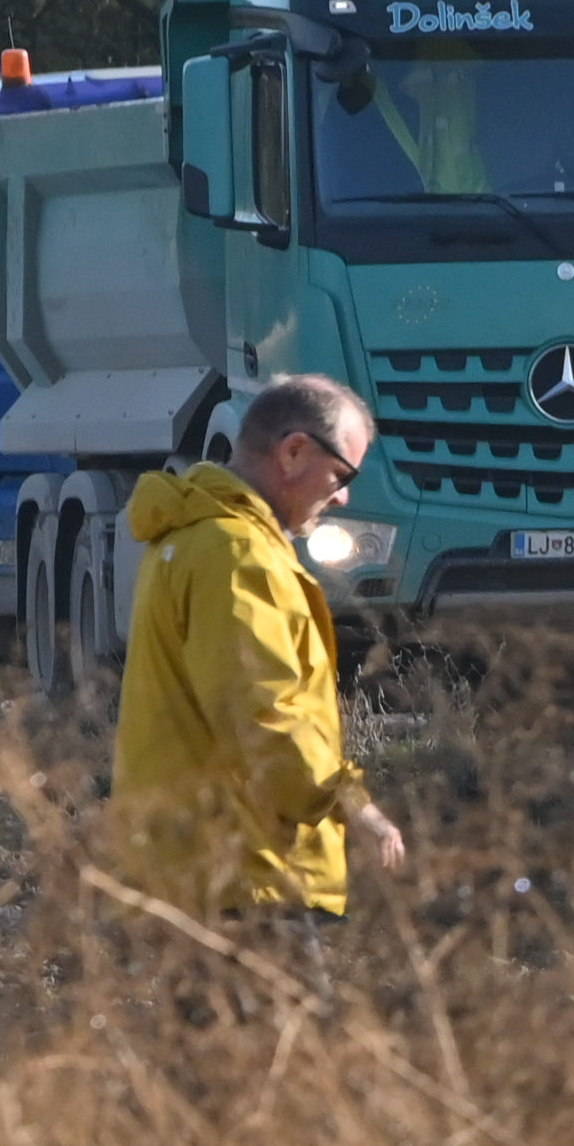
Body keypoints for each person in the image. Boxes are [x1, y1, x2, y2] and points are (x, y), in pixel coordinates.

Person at [110, 372, 410, 919]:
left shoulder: (193, 535)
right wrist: (351, 805)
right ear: (294, 452)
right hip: (252, 878)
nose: (343, 494)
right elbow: (262, 713)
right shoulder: (238, 556)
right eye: (342, 473)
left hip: (192, 871)